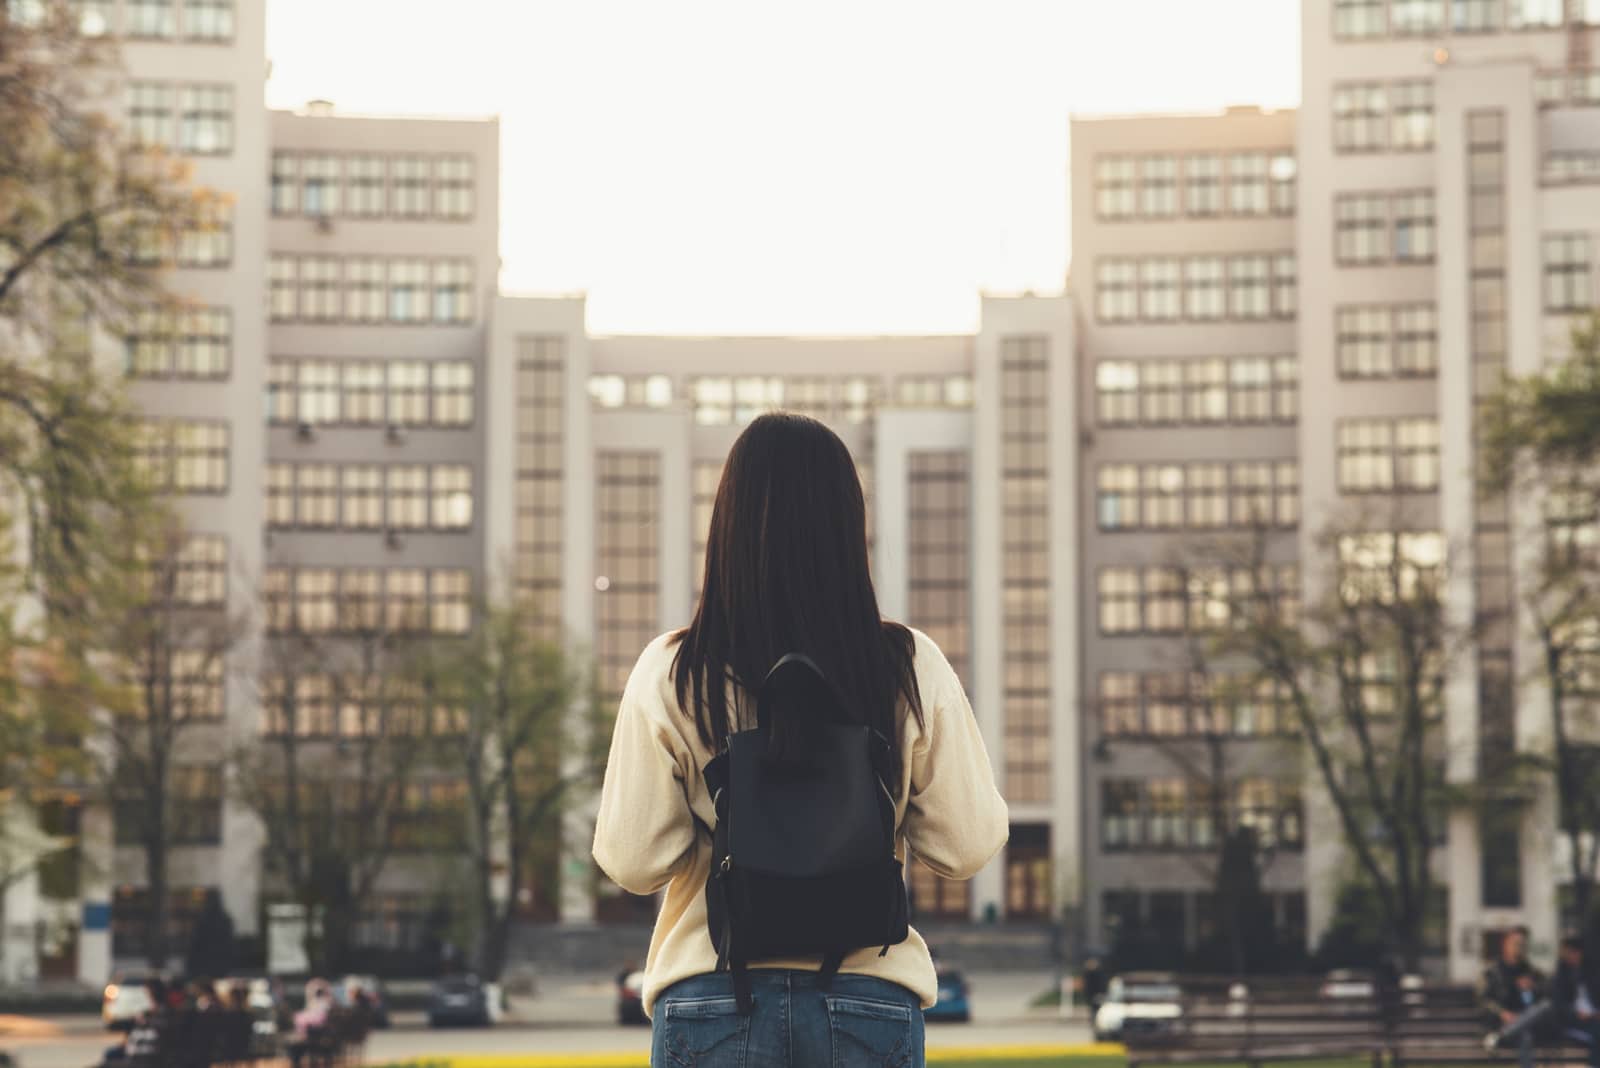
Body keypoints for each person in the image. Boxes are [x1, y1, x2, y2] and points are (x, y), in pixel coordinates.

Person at [593, 413, 1009, 1068]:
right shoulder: (905, 664)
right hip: (867, 999)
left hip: (713, 999)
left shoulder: (676, 670)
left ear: (725, 525)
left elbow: (632, 859)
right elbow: (967, 845)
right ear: (848, 527)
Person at [1481, 926, 1554, 1068]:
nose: (1519, 947)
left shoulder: (1531, 971)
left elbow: (1548, 994)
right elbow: (1484, 1000)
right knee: (1525, 1037)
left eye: (1523, 944)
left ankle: (1501, 1036)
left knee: (1545, 1007)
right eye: (1515, 943)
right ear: (1505, 944)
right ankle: (1504, 1032)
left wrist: (1533, 988)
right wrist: (1502, 1013)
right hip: (1503, 1021)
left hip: (1527, 1021)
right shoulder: (1493, 972)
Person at [1554, 933, 1600, 1067]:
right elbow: (1560, 1005)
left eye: (1573, 952)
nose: (1570, 956)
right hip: (1574, 1021)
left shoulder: (1591, 972)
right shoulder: (1561, 976)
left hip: (1593, 1017)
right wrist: (1577, 1014)